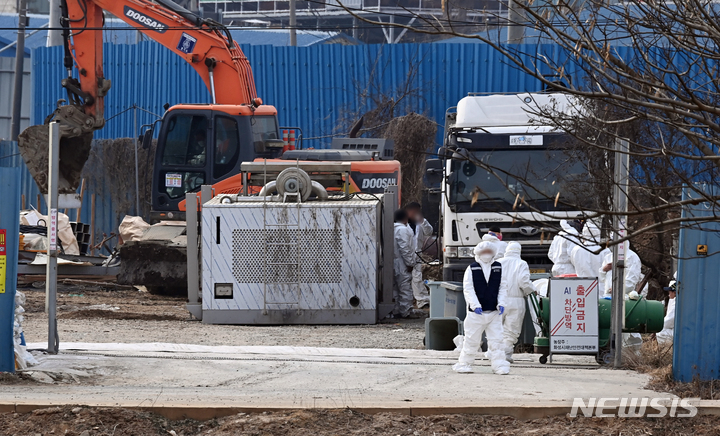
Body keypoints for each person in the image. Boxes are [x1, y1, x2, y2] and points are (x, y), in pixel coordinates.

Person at [452, 241, 510, 375]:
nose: (487, 255)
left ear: (494, 253)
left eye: (489, 252)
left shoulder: (499, 267)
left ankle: (500, 365)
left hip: (494, 312)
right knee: (472, 339)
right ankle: (465, 363)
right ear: (478, 253)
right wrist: (475, 305)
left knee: (497, 341)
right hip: (476, 314)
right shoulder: (472, 268)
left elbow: (503, 287)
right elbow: (468, 289)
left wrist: (501, 303)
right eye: (484, 252)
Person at [497, 242, 536, 363]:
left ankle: (494, 353)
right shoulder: (521, 263)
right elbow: (523, 281)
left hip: (499, 300)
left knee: (496, 328)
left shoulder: (498, 262)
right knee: (511, 330)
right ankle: (505, 355)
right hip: (516, 300)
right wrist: (531, 290)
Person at [391, 209, 423, 319]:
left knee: (394, 288)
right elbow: (405, 248)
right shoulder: (403, 230)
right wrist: (410, 263)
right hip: (401, 262)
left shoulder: (391, 229)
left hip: (391, 262)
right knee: (405, 287)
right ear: (405, 218)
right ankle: (406, 311)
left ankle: (395, 310)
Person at [405, 202, 433, 309]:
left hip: (417, 254)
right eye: (414, 211)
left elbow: (429, 232)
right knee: (404, 279)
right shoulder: (402, 223)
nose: (416, 213)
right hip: (404, 255)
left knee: (417, 278)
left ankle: (422, 301)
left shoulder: (420, 223)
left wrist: (423, 222)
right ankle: (404, 303)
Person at [656, 275, 676, 345]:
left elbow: (668, 322)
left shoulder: (676, 303)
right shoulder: (674, 300)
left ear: (675, 292)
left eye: (670, 292)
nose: (669, 294)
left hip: (678, 332)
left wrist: (657, 326)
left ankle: (667, 350)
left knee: (660, 333)